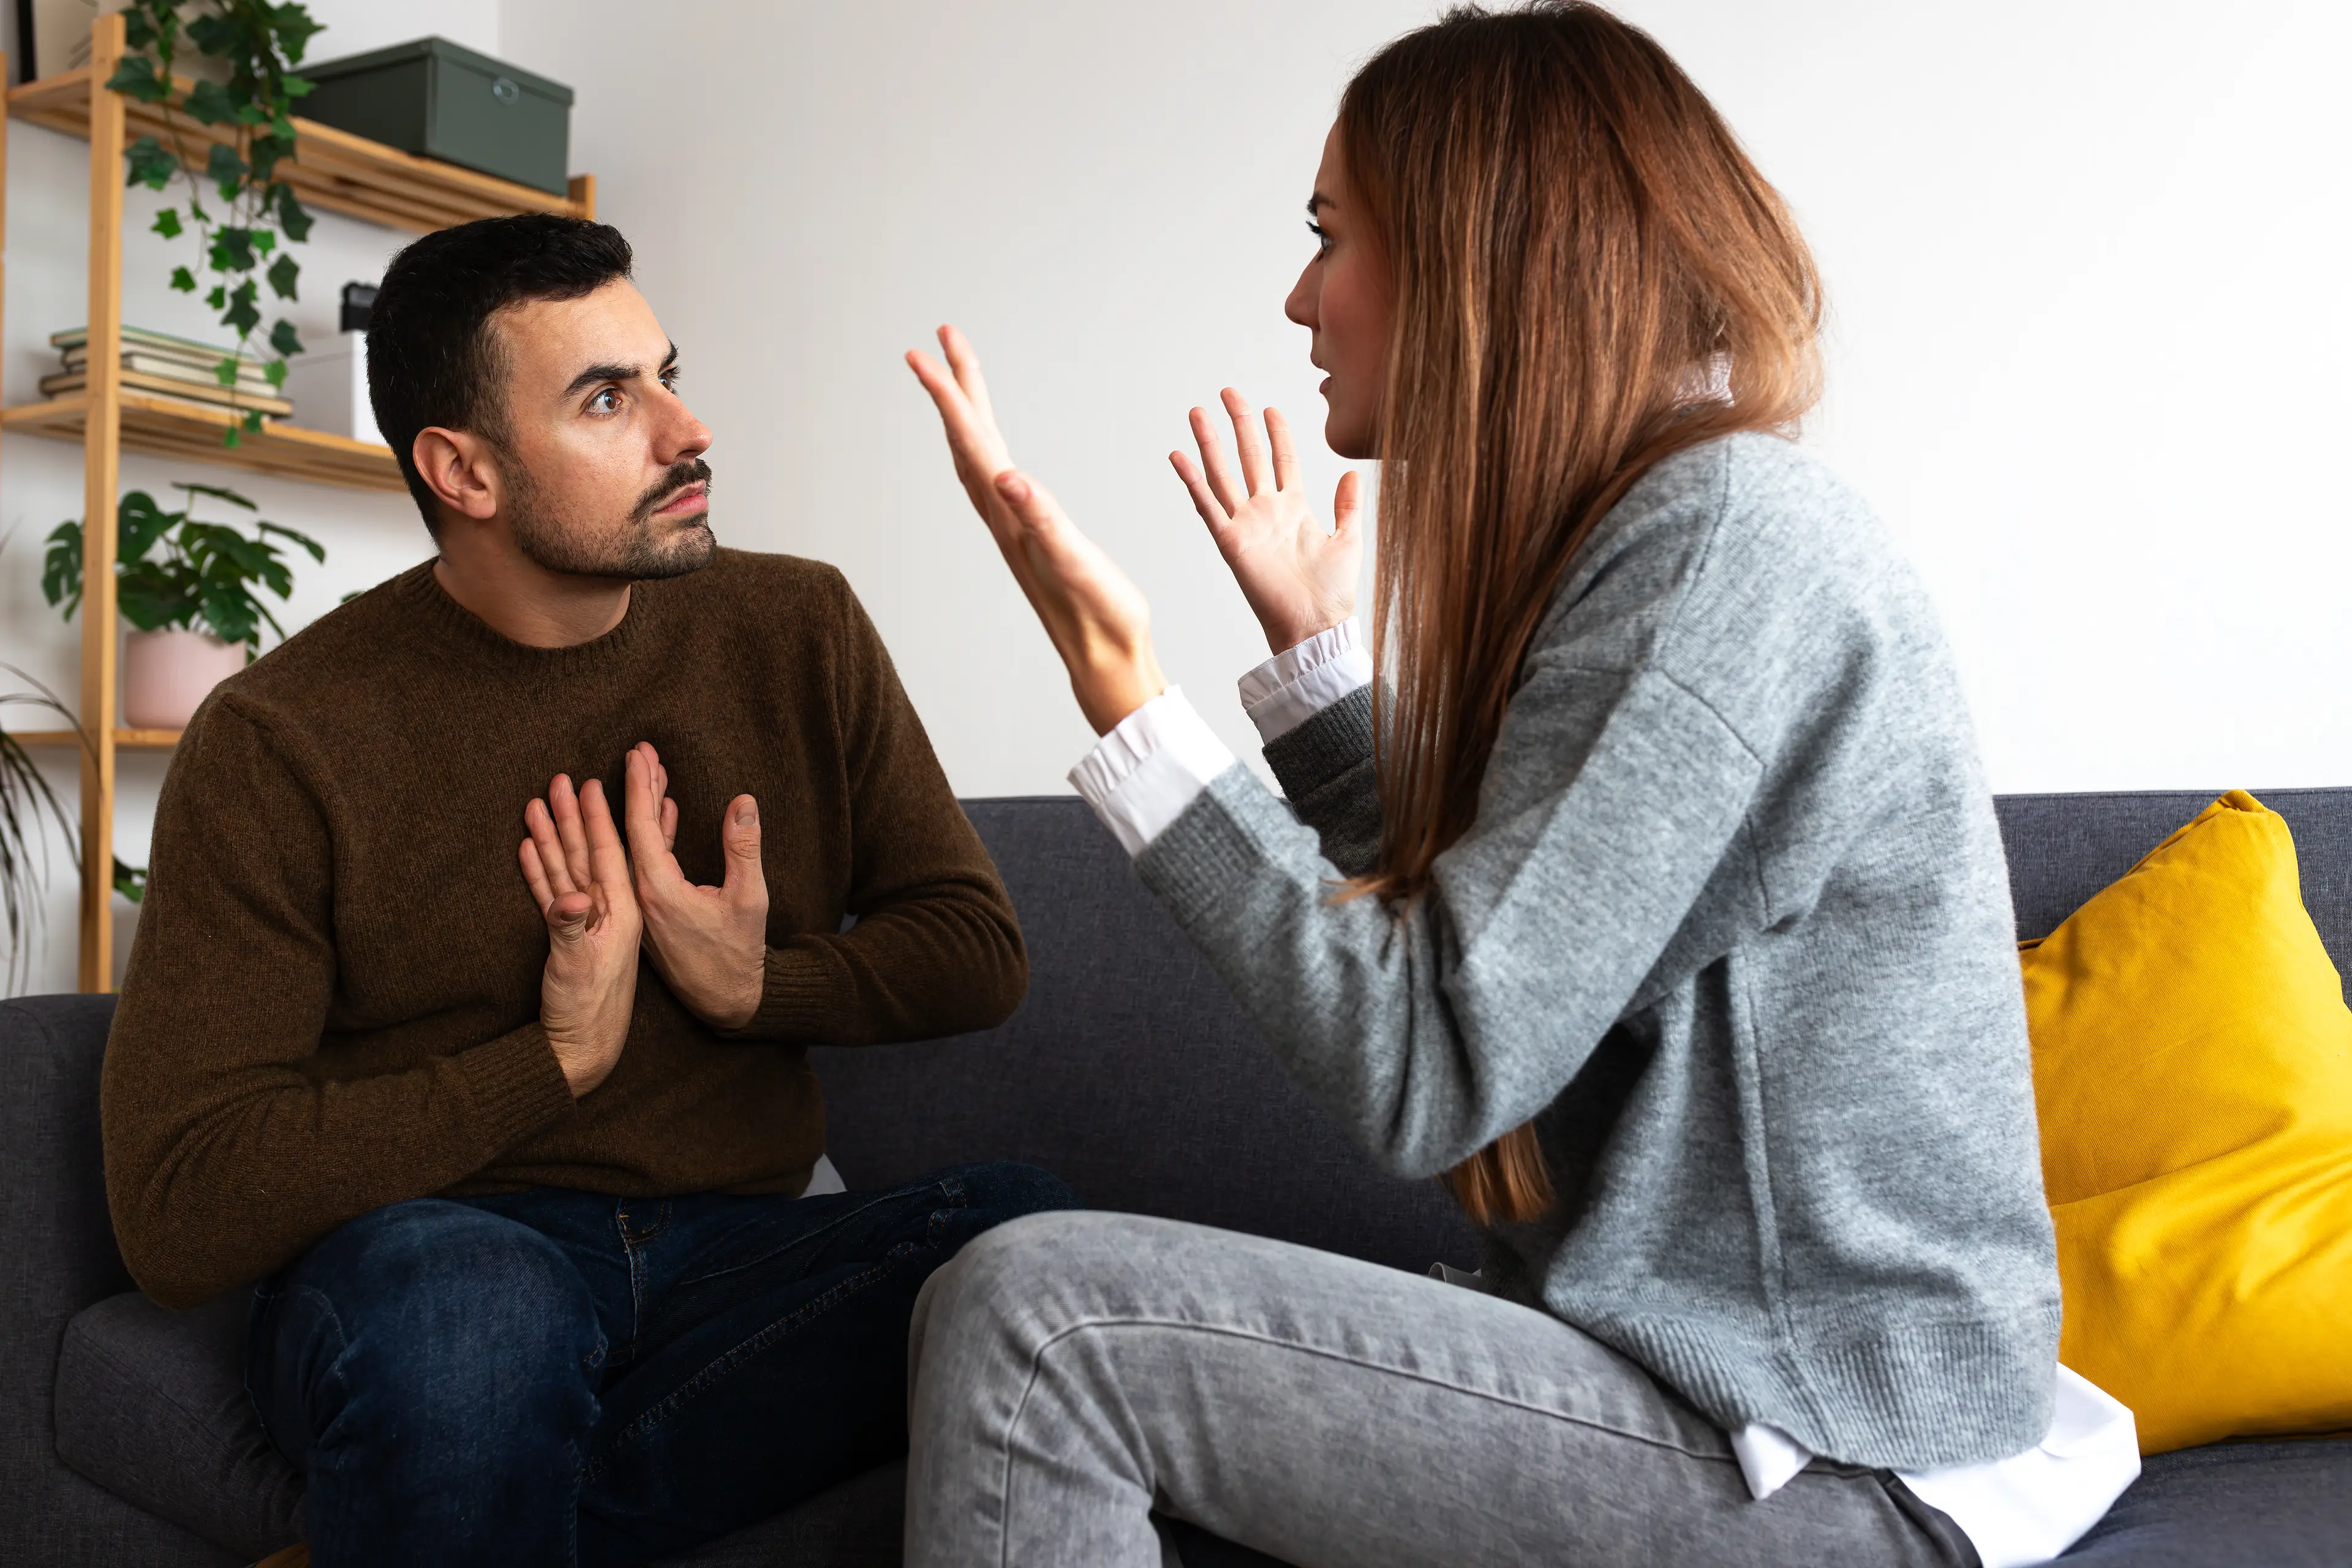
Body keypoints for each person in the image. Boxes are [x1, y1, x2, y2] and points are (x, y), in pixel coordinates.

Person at [901, 4, 2140, 1565]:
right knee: (1000, 1294)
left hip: (1829, 1447)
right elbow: (1520, 962)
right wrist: (1316, 671)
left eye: (1328, 235)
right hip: (1761, 1401)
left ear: (1476, 259)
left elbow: (1432, 1056)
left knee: (1041, 1323)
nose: (1299, 297)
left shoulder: (1720, 549)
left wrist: (1129, 704)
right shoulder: (1672, 531)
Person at [101, 214, 1072, 1568]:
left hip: (746, 1247)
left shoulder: (799, 626)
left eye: (665, 372)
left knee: (1032, 1240)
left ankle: (408, 1521)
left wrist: (758, 981)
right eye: (609, 399)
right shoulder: (284, 735)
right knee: (469, 1318)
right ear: (463, 468)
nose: (688, 431)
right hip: (438, 1250)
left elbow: (978, 948)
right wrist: (551, 1061)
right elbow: (180, 1202)